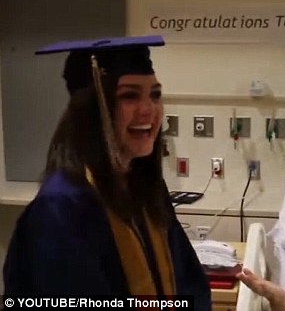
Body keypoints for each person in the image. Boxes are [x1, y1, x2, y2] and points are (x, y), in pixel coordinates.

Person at [2, 36, 211, 310]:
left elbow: (189, 281)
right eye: (129, 96)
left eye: (155, 94)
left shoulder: (147, 187)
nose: (149, 109)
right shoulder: (62, 207)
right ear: (92, 109)